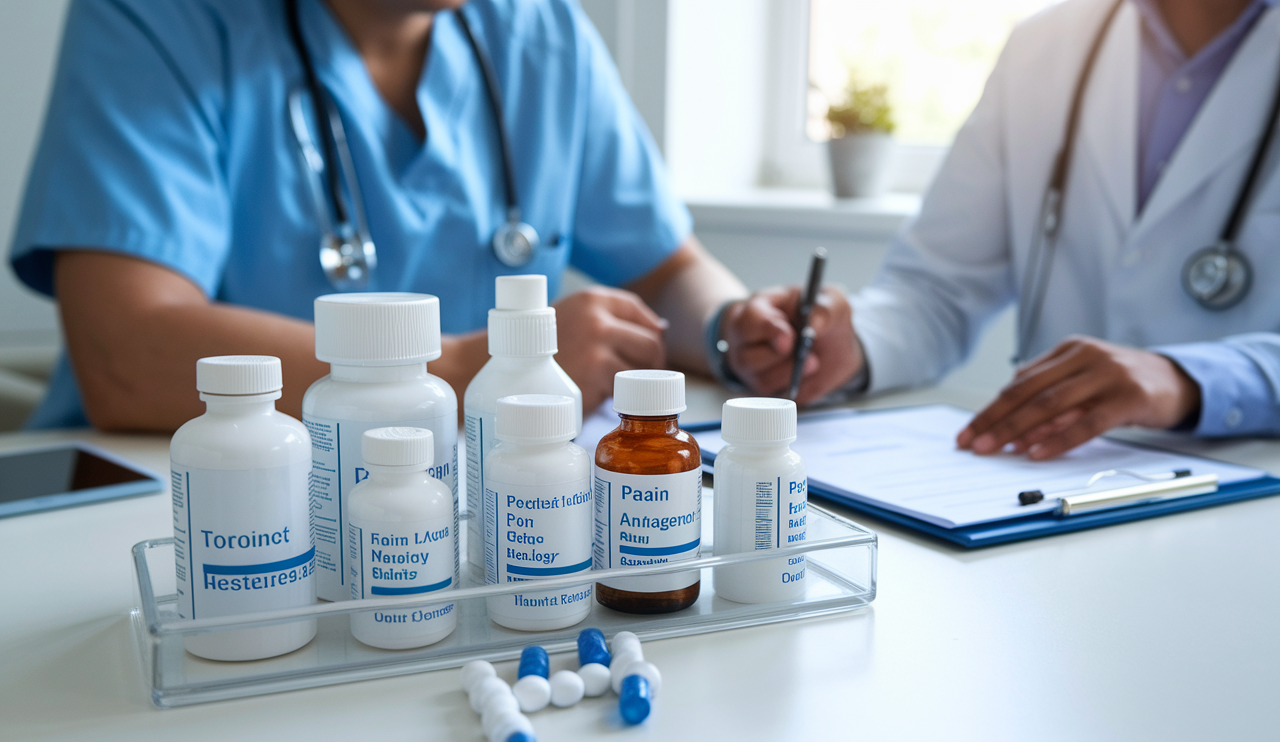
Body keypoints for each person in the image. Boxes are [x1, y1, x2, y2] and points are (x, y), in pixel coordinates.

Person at [9, 0, 746, 432]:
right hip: (180, 504)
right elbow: (125, 356)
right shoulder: (157, 19)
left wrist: (736, 331)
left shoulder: (540, 30)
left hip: (467, 501)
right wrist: (458, 372)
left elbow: (670, 271)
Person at [718, 0, 1280, 460]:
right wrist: (850, 346)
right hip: (1048, 482)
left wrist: (1191, 379)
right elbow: (936, 290)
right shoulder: (1047, 45)